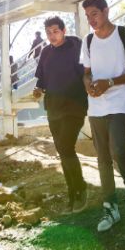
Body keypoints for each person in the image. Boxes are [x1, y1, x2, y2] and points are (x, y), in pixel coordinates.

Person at [80, 0, 125, 232]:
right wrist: (88, 84)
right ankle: (110, 208)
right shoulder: (87, 41)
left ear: (106, 11)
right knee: (102, 157)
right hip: (96, 106)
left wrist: (110, 82)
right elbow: (86, 71)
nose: (91, 20)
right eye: (87, 16)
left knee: (117, 148)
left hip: (120, 103)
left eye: (94, 14)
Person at [33, 16, 89, 213]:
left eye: (55, 31)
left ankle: (80, 189)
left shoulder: (76, 46)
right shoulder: (46, 52)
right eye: (48, 33)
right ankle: (72, 193)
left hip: (74, 107)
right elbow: (41, 79)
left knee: (66, 147)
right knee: (63, 151)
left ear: (64, 31)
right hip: (53, 109)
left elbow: (87, 73)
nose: (51, 36)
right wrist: (38, 89)